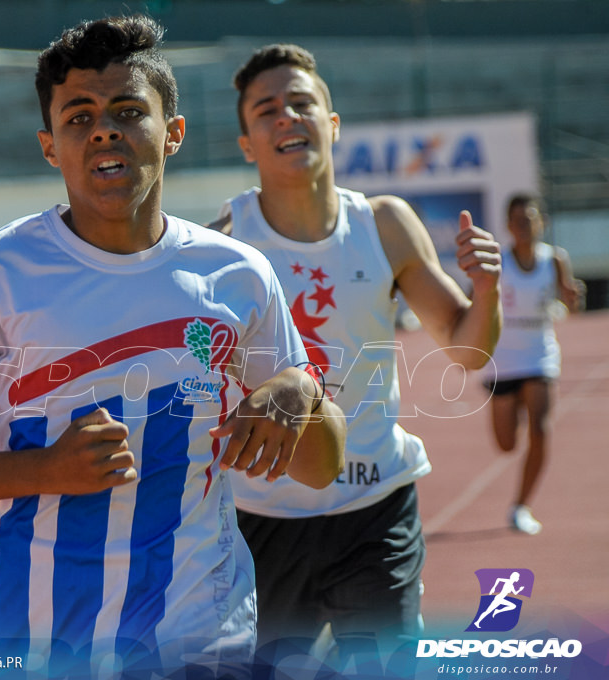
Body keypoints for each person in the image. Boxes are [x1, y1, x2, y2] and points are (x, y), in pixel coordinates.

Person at [0, 19, 345, 678]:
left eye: (129, 111)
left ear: (173, 133)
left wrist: (302, 391)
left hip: (208, 636)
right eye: (79, 116)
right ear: (50, 146)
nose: (104, 129)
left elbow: (321, 466)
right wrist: (45, 471)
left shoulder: (238, 274)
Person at [207, 44, 502, 659]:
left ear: (332, 124)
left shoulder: (384, 225)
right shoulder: (224, 247)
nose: (287, 116)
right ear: (246, 143)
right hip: (262, 520)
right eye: (267, 110)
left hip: (374, 508)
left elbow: (469, 352)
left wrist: (489, 288)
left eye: (302, 103)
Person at [481, 193, 583, 535]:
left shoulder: (554, 260)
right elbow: (476, 301)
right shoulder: (498, 263)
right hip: (504, 356)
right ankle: (515, 406)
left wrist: (572, 297)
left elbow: (567, 297)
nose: (524, 226)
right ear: (509, 226)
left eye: (531, 220)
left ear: (542, 223)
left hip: (540, 351)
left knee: (541, 430)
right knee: (507, 443)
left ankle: (521, 506)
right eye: (518, 221)